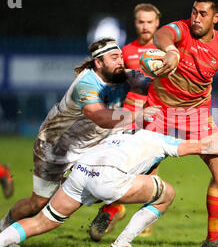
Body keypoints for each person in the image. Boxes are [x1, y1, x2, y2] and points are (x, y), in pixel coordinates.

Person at [0, 129, 218, 247]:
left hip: (81, 173)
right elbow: (205, 145)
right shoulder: (161, 139)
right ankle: (121, 245)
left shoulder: (120, 132)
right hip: (109, 178)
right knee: (168, 194)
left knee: (41, 221)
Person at [0, 38, 159, 232]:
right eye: (114, 57)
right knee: (38, 203)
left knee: (113, 177)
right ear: (99, 63)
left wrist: (164, 71)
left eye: (120, 57)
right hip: (54, 146)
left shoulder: (122, 75)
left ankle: (111, 208)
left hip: (92, 147)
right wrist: (136, 115)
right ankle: (4, 226)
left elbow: (153, 87)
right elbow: (101, 117)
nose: (120, 62)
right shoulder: (85, 85)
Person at [141, 0, 218, 247]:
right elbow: (162, 35)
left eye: (203, 14)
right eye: (194, 11)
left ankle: (213, 241)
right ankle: (110, 208)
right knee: (142, 169)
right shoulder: (180, 31)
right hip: (160, 110)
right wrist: (170, 51)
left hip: (196, 114)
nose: (196, 18)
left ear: (216, 17)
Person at [91, 4, 162, 239]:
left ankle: (142, 218)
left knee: (150, 169)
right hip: (129, 114)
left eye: (149, 21)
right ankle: (114, 208)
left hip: (156, 115)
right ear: (135, 23)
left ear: (157, 23)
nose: (145, 26)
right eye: (141, 21)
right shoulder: (127, 51)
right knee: (117, 164)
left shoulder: (165, 50)